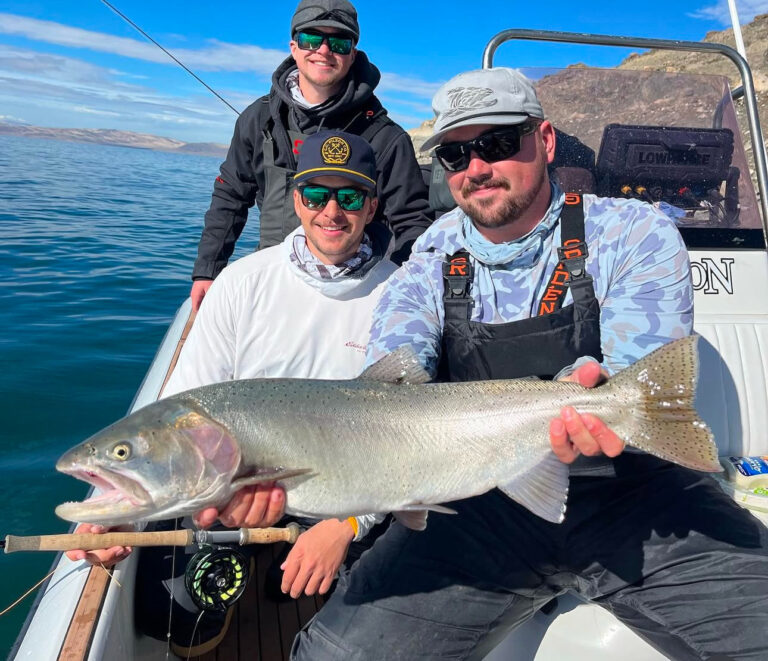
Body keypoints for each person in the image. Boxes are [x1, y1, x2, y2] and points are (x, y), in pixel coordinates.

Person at [287, 67, 768, 661]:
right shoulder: (431, 257)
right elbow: (396, 374)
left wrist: (601, 397)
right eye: (457, 154)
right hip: (479, 499)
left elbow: (638, 382)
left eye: (495, 144)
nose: (476, 168)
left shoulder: (631, 232)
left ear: (543, 140)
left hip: (639, 497)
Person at [67, 131, 398, 656]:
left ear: (372, 205)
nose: (332, 211)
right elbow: (177, 422)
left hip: (357, 493)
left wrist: (348, 524)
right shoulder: (243, 283)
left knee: (383, 625)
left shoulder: (399, 295)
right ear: (295, 198)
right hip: (234, 489)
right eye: (316, 195)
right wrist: (120, 516)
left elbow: (406, 442)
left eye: (351, 197)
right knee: (180, 625)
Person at [190, 0, 432, 311]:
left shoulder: (385, 137)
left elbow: (412, 223)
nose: (323, 50)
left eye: (339, 42)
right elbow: (231, 194)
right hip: (273, 280)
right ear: (294, 47)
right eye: (311, 38)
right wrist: (208, 269)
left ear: (353, 53)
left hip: (353, 294)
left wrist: (402, 294)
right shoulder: (258, 119)